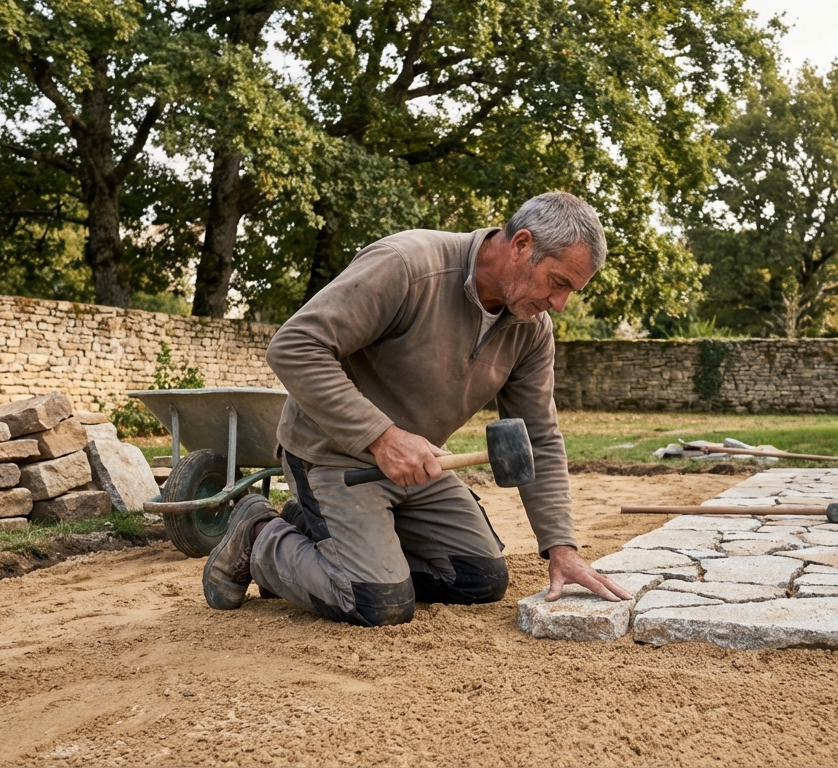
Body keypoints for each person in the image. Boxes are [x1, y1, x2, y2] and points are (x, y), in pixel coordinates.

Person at [201, 191, 632, 625]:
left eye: (571, 292)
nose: (559, 304)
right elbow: (294, 347)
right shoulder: (406, 266)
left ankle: (323, 536)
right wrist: (382, 438)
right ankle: (260, 534)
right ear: (521, 245)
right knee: (378, 602)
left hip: (420, 468)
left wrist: (562, 547)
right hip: (333, 458)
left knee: (478, 580)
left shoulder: (531, 330)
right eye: (558, 283)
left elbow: (538, 435)